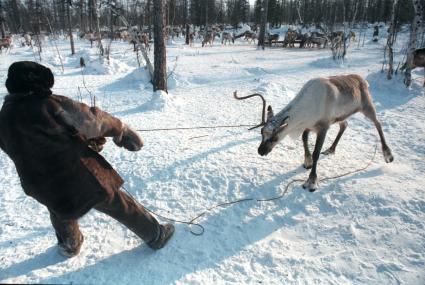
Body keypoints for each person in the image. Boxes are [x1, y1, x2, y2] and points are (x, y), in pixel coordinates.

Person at [0, 61, 174, 257]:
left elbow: (22, 147)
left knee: (59, 208)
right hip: (80, 177)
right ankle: (156, 235)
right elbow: (92, 121)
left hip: (39, 184)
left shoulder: (3, 117)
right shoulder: (50, 105)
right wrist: (120, 129)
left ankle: (70, 244)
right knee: (119, 203)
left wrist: (77, 142)